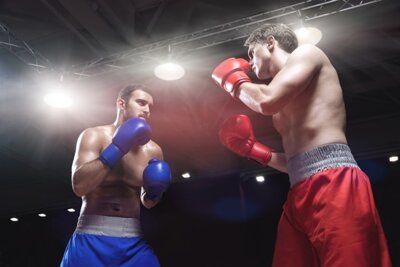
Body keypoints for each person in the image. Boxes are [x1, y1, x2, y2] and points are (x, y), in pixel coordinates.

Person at [212, 23, 392, 267]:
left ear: (271, 42)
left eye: (252, 53)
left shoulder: (307, 53)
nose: (250, 63)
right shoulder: (281, 100)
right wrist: (254, 151)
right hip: (299, 191)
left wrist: (234, 81)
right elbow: (301, 161)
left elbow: (265, 101)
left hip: (336, 183)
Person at [60, 84, 171, 267]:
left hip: (133, 241)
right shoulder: (94, 135)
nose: (147, 110)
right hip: (91, 236)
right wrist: (117, 149)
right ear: (121, 103)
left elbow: (148, 202)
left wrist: (155, 191)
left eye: (150, 106)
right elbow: (79, 187)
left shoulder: (154, 150)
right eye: (141, 103)